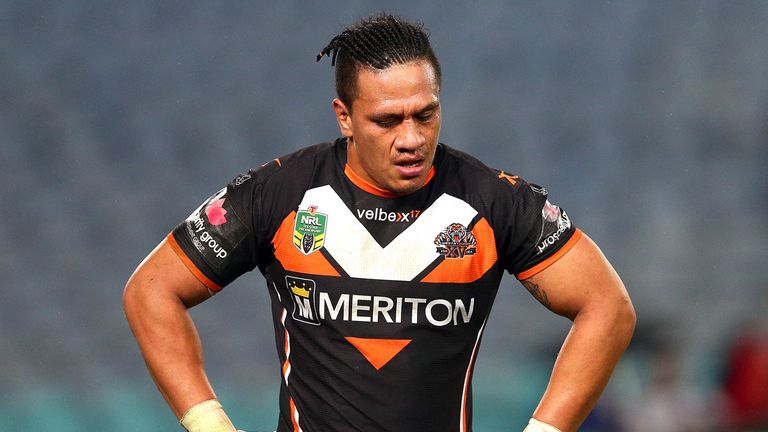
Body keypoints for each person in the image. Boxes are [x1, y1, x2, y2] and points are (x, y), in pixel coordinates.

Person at [123, 13, 635, 432]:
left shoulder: (493, 200)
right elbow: (151, 291)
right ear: (344, 116)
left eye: (425, 115)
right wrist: (210, 425)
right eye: (387, 120)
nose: (411, 138)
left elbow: (607, 307)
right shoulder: (279, 194)